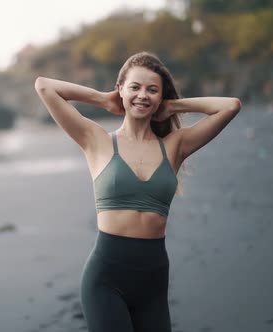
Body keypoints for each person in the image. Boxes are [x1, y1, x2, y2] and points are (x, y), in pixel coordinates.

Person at [34, 51, 241, 332]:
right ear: (121, 90)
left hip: (153, 280)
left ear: (160, 97)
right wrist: (103, 99)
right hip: (105, 279)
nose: (143, 95)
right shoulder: (96, 141)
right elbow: (44, 86)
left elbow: (230, 106)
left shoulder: (175, 145)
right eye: (135, 87)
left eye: (152, 90)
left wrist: (174, 106)